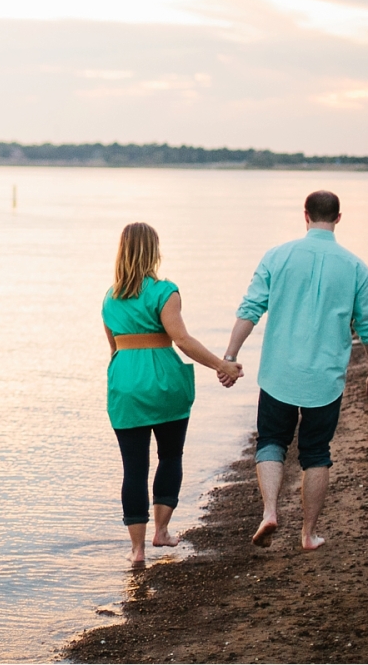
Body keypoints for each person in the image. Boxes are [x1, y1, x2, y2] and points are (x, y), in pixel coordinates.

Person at [221, 190, 368, 551]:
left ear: (305, 215)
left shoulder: (277, 256)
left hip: (279, 374)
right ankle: (308, 534)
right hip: (325, 380)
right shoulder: (356, 267)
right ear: (338, 218)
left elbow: (250, 310)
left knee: (271, 442)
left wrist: (229, 356)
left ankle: (269, 512)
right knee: (316, 453)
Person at [104, 222, 244, 566]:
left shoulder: (109, 298)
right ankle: (162, 531)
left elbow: (114, 349)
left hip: (125, 385)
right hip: (164, 383)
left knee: (133, 469)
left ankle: (137, 550)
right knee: (169, 455)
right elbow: (181, 339)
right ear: (154, 251)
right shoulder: (165, 292)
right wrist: (222, 365)